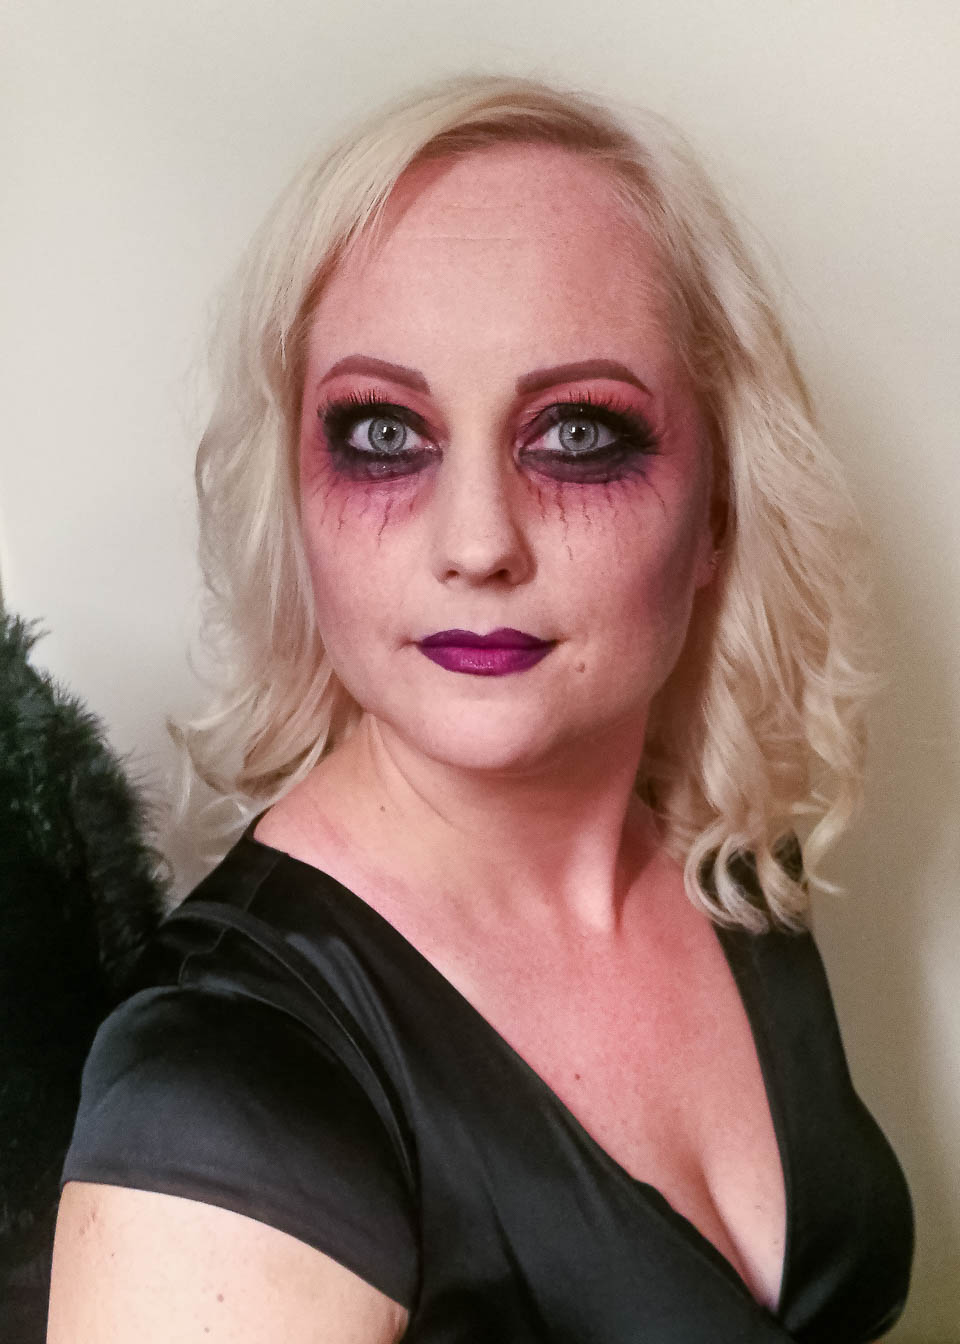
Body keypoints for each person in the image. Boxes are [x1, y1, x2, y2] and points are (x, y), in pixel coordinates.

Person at [47, 73, 913, 1342]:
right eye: (383, 435)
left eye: (578, 435)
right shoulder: (222, 1087)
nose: (477, 544)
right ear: (296, 497)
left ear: (721, 508)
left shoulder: (732, 860)